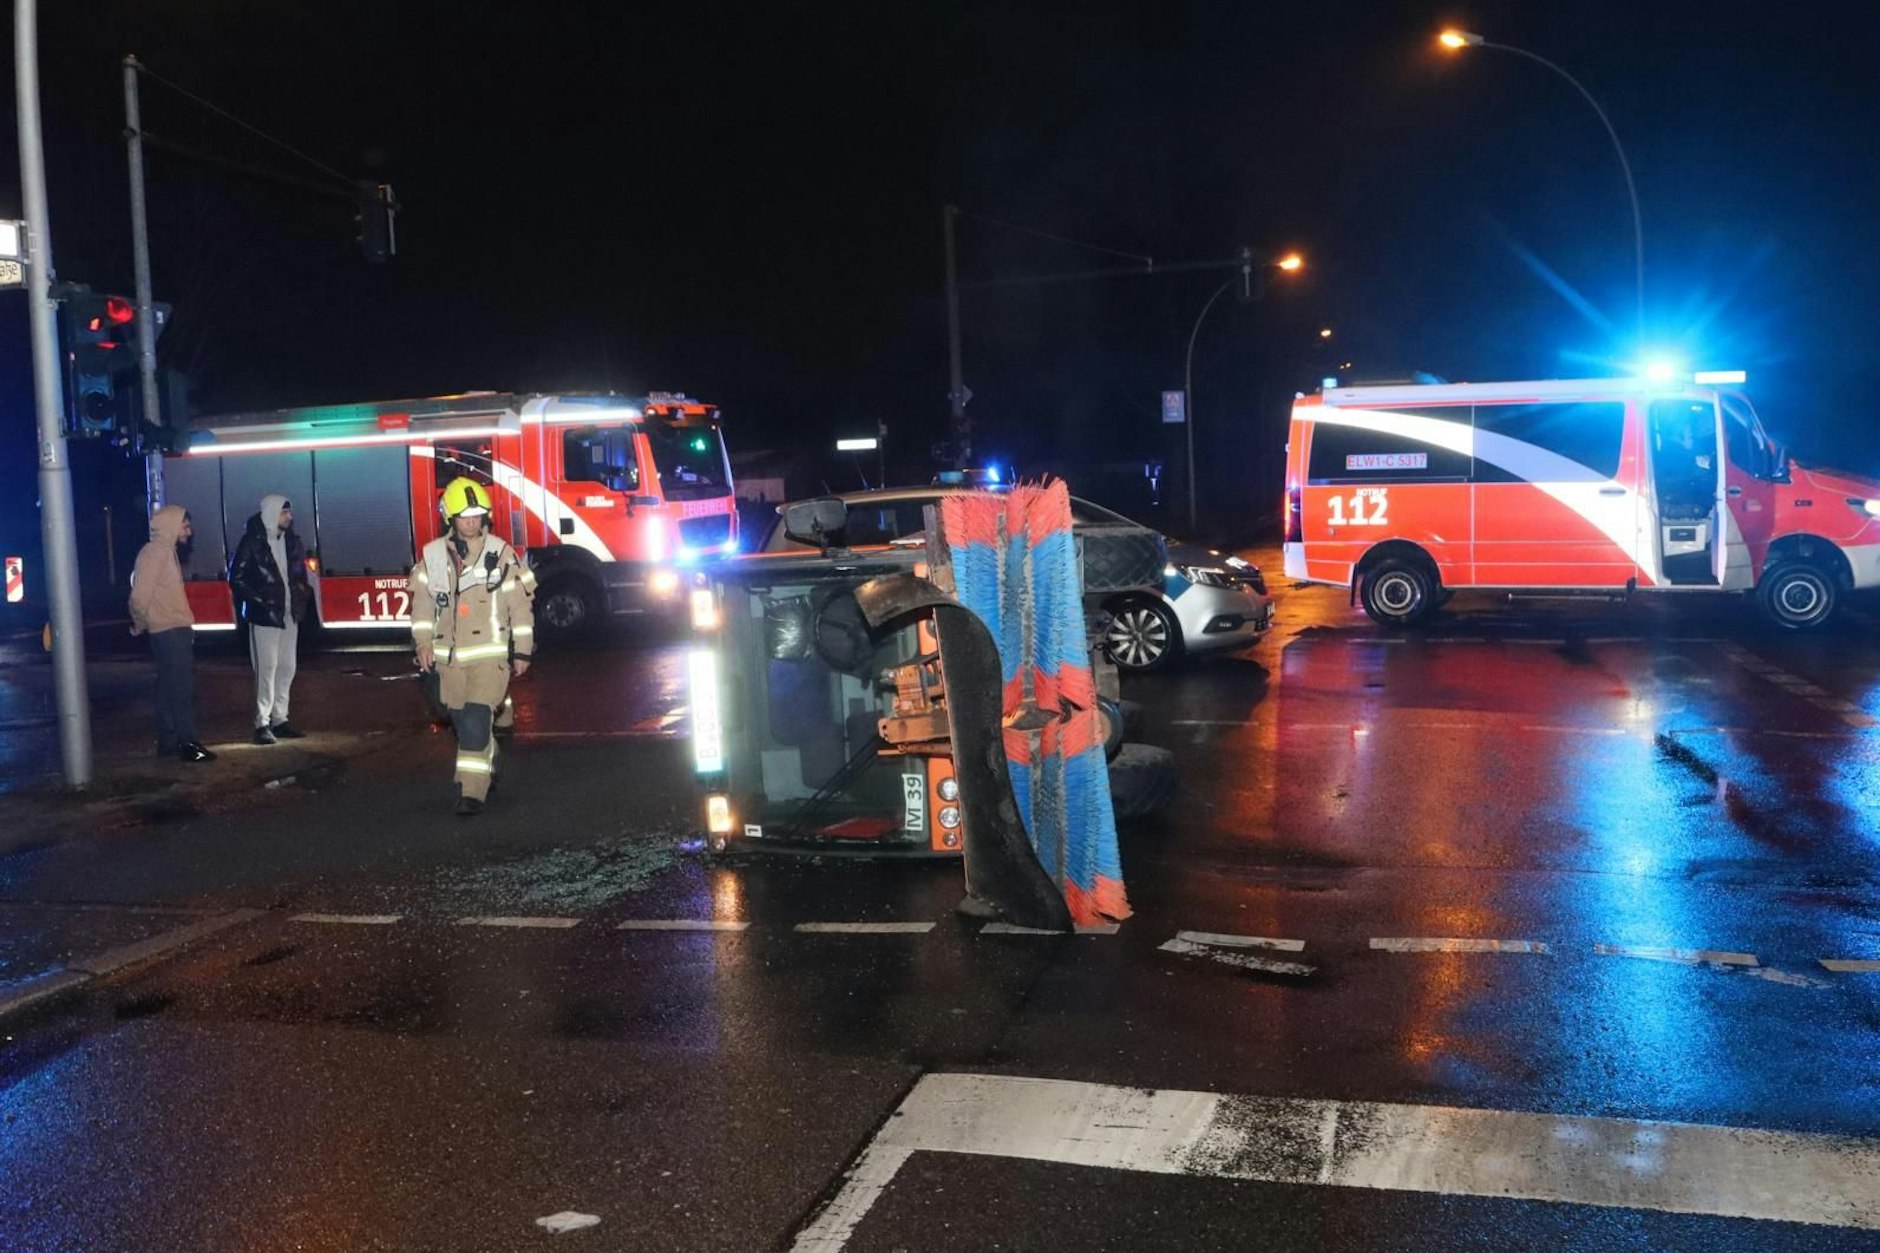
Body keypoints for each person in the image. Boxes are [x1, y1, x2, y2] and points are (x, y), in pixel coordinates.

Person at [411, 477, 536, 815]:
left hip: (490, 658)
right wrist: (422, 643)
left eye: (477, 514)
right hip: (448, 661)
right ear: (449, 517)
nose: (471, 521)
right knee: (461, 720)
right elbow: (423, 607)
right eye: (464, 516)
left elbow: (520, 606)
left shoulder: (501, 552)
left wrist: (523, 649)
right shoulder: (433, 557)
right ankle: (490, 758)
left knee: (475, 722)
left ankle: (471, 793)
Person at [128, 504, 216, 763]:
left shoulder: (163, 552)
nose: (189, 531)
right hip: (169, 630)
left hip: (170, 629)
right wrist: (140, 622)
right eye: (185, 526)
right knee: (181, 688)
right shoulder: (156, 553)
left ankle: (168, 742)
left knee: (169, 687)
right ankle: (188, 743)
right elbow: (139, 596)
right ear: (172, 526)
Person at [229, 493, 313, 745]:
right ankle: (262, 723)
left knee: (287, 667)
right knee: (266, 669)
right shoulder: (252, 542)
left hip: (290, 614)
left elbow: (298, 574)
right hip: (265, 616)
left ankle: (281, 719)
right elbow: (236, 578)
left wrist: (301, 592)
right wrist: (261, 602)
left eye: (289, 512)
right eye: (285, 512)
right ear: (272, 513)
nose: (290, 517)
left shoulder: (291, 542)